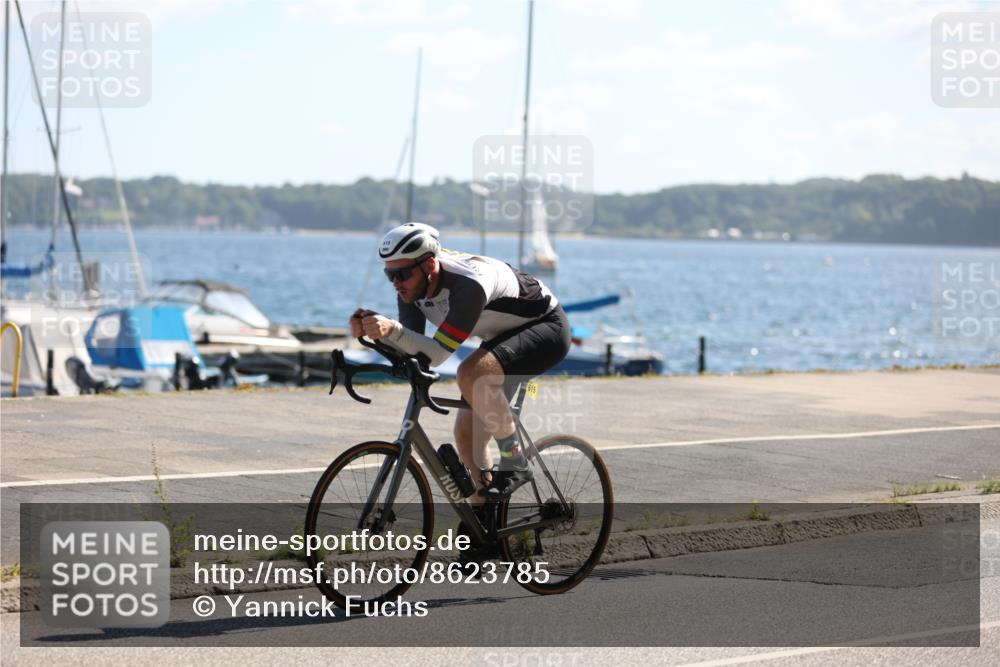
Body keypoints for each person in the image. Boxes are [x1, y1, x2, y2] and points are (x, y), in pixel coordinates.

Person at [349, 222, 571, 501]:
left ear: (430, 265)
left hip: (546, 327)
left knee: (471, 371)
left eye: (402, 274)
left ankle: (515, 462)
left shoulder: (468, 285)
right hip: (499, 336)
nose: (396, 283)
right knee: (466, 436)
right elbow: (416, 349)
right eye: (389, 274)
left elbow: (439, 354)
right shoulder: (412, 288)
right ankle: (484, 524)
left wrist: (391, 329)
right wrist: (373, 333)